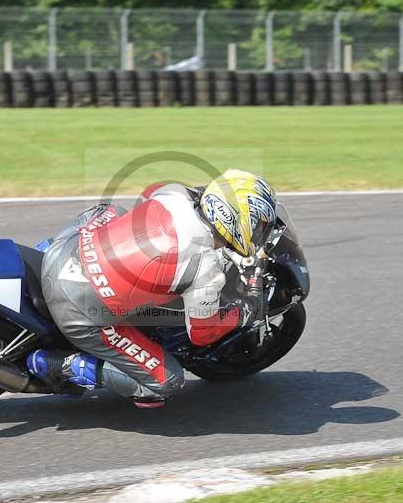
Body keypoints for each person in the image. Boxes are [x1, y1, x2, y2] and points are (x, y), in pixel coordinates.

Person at [26, 169, 277, 407]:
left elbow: (150, 191)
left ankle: (45, 247)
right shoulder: (206, 269)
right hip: (78, 310)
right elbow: (202, 333)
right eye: (258, 226)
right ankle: (59, 364)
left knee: (113, 210)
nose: (259, 233)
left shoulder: (175, 194)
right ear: (236, 221)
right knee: (166, 382)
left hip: (63, 249)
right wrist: (245, 310)